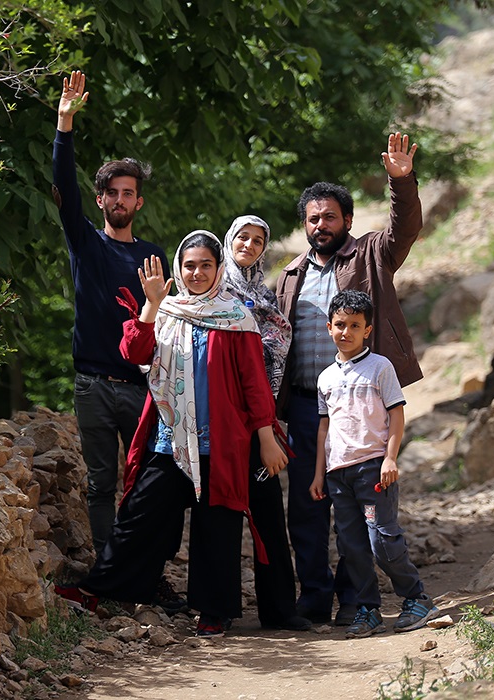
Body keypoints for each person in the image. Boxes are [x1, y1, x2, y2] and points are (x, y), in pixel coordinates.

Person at [56, 231, 289, 638]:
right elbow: (134, 354)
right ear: (179, 269)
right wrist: (149, 305)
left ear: (219, 269)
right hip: (170, 441)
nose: (197, 273)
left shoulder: (237, 317)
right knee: (138, 516)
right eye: (189, 265)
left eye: (205, 265)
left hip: (221, 441)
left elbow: (254, 384)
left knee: (217, 526)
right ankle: (99, 590)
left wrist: (266, 436)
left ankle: (215, 611)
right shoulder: (167, 311)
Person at [275, 132, 423, 626]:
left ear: (348, 221)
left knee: (360, 510)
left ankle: (355, 601)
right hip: (303, 407)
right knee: (309, 504)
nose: (321, 225)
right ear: (305, 224)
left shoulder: (370, 255)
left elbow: (405, 229)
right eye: (314, 218)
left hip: (360, 406)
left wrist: (400, 180)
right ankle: (314, 596)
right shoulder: (290, 275)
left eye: (330, 217)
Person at [51, 71, 173, 559]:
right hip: (94, 384)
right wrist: (64, 124)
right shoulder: (85, 243)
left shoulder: (155, 256)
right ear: (99, 200)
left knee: (144, 483)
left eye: (128, 193)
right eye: (112, 193)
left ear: (138, 202)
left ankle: (142, 569)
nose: (119, 200)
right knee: (101, 484)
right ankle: (107, 570)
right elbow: (62, 183)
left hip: (143, 386)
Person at [311, 290, 438, 638]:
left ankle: (416, 598)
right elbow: (325, 426)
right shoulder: (325, 378)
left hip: (373, 469)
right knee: (351, 547)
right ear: (329, 327)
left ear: (367, 330)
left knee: (382, 540)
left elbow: (397, 414)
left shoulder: (380, 367)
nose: (346, 332)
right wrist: (319, 473)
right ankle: (368, 609)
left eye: (355, 325)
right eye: (340, 325)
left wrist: (390, 458)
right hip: (339, 474)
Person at [222, 215, 310, 632]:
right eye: (243, 237)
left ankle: (279, 609)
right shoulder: (212, 289)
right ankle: (216, 610)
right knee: (217, 517)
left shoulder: (264, 295)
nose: (250, 245)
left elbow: (272, 353)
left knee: (269, 514)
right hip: (219, 420)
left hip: (261, 420)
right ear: (229, 240)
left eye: (259, 240)